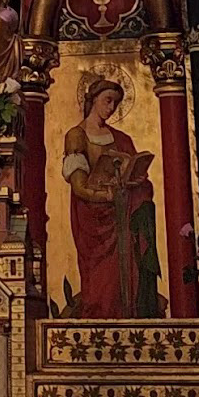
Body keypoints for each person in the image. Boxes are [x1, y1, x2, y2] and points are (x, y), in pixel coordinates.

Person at [62, 76, 162, 318]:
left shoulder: (122, 139)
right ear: (93, 100)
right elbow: (79, 187)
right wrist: (106, 195)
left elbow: (136, 175)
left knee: (127, 277)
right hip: (94, 220)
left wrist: (137, 183)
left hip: (122, 216)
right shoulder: (77, 136)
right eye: (107, 101)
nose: (110, 108)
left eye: (115, 104)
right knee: (100, 282)